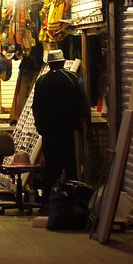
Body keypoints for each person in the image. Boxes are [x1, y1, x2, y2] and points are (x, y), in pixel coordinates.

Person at [30, 49, 90, 212]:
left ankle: (48, 204)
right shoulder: (73, 79)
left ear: (49, 64)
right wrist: (88, 126)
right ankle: (72, 203)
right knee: (71, 167)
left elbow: (36, 107)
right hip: (70, 130)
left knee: (51, 167)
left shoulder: (42, 81)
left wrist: (39, 126)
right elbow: (84, 105)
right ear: (63, 62)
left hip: (49, 131)